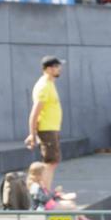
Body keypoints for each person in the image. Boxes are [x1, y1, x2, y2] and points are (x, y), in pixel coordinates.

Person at [25, 162, 98, 220]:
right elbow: (43, 199)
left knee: (71, 204)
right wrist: (55, 194)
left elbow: (46, 197)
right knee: (71, 206)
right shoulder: (34, 186)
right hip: (42, 209)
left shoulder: (39, 183)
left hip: (49, 205)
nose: (45, 175)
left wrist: (57, 194)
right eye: (44, 173)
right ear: (38, 174)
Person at [24, 56, 65, 189]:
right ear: (48, 69)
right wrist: (32, 134)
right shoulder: (43, 86)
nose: (60, 69)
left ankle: (46, 191)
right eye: (57, 66)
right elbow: (35, 113)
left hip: (52, 128)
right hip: (47, 129)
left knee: (52, 162)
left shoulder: (49, 84)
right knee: (50, 162)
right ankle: (44, 193)